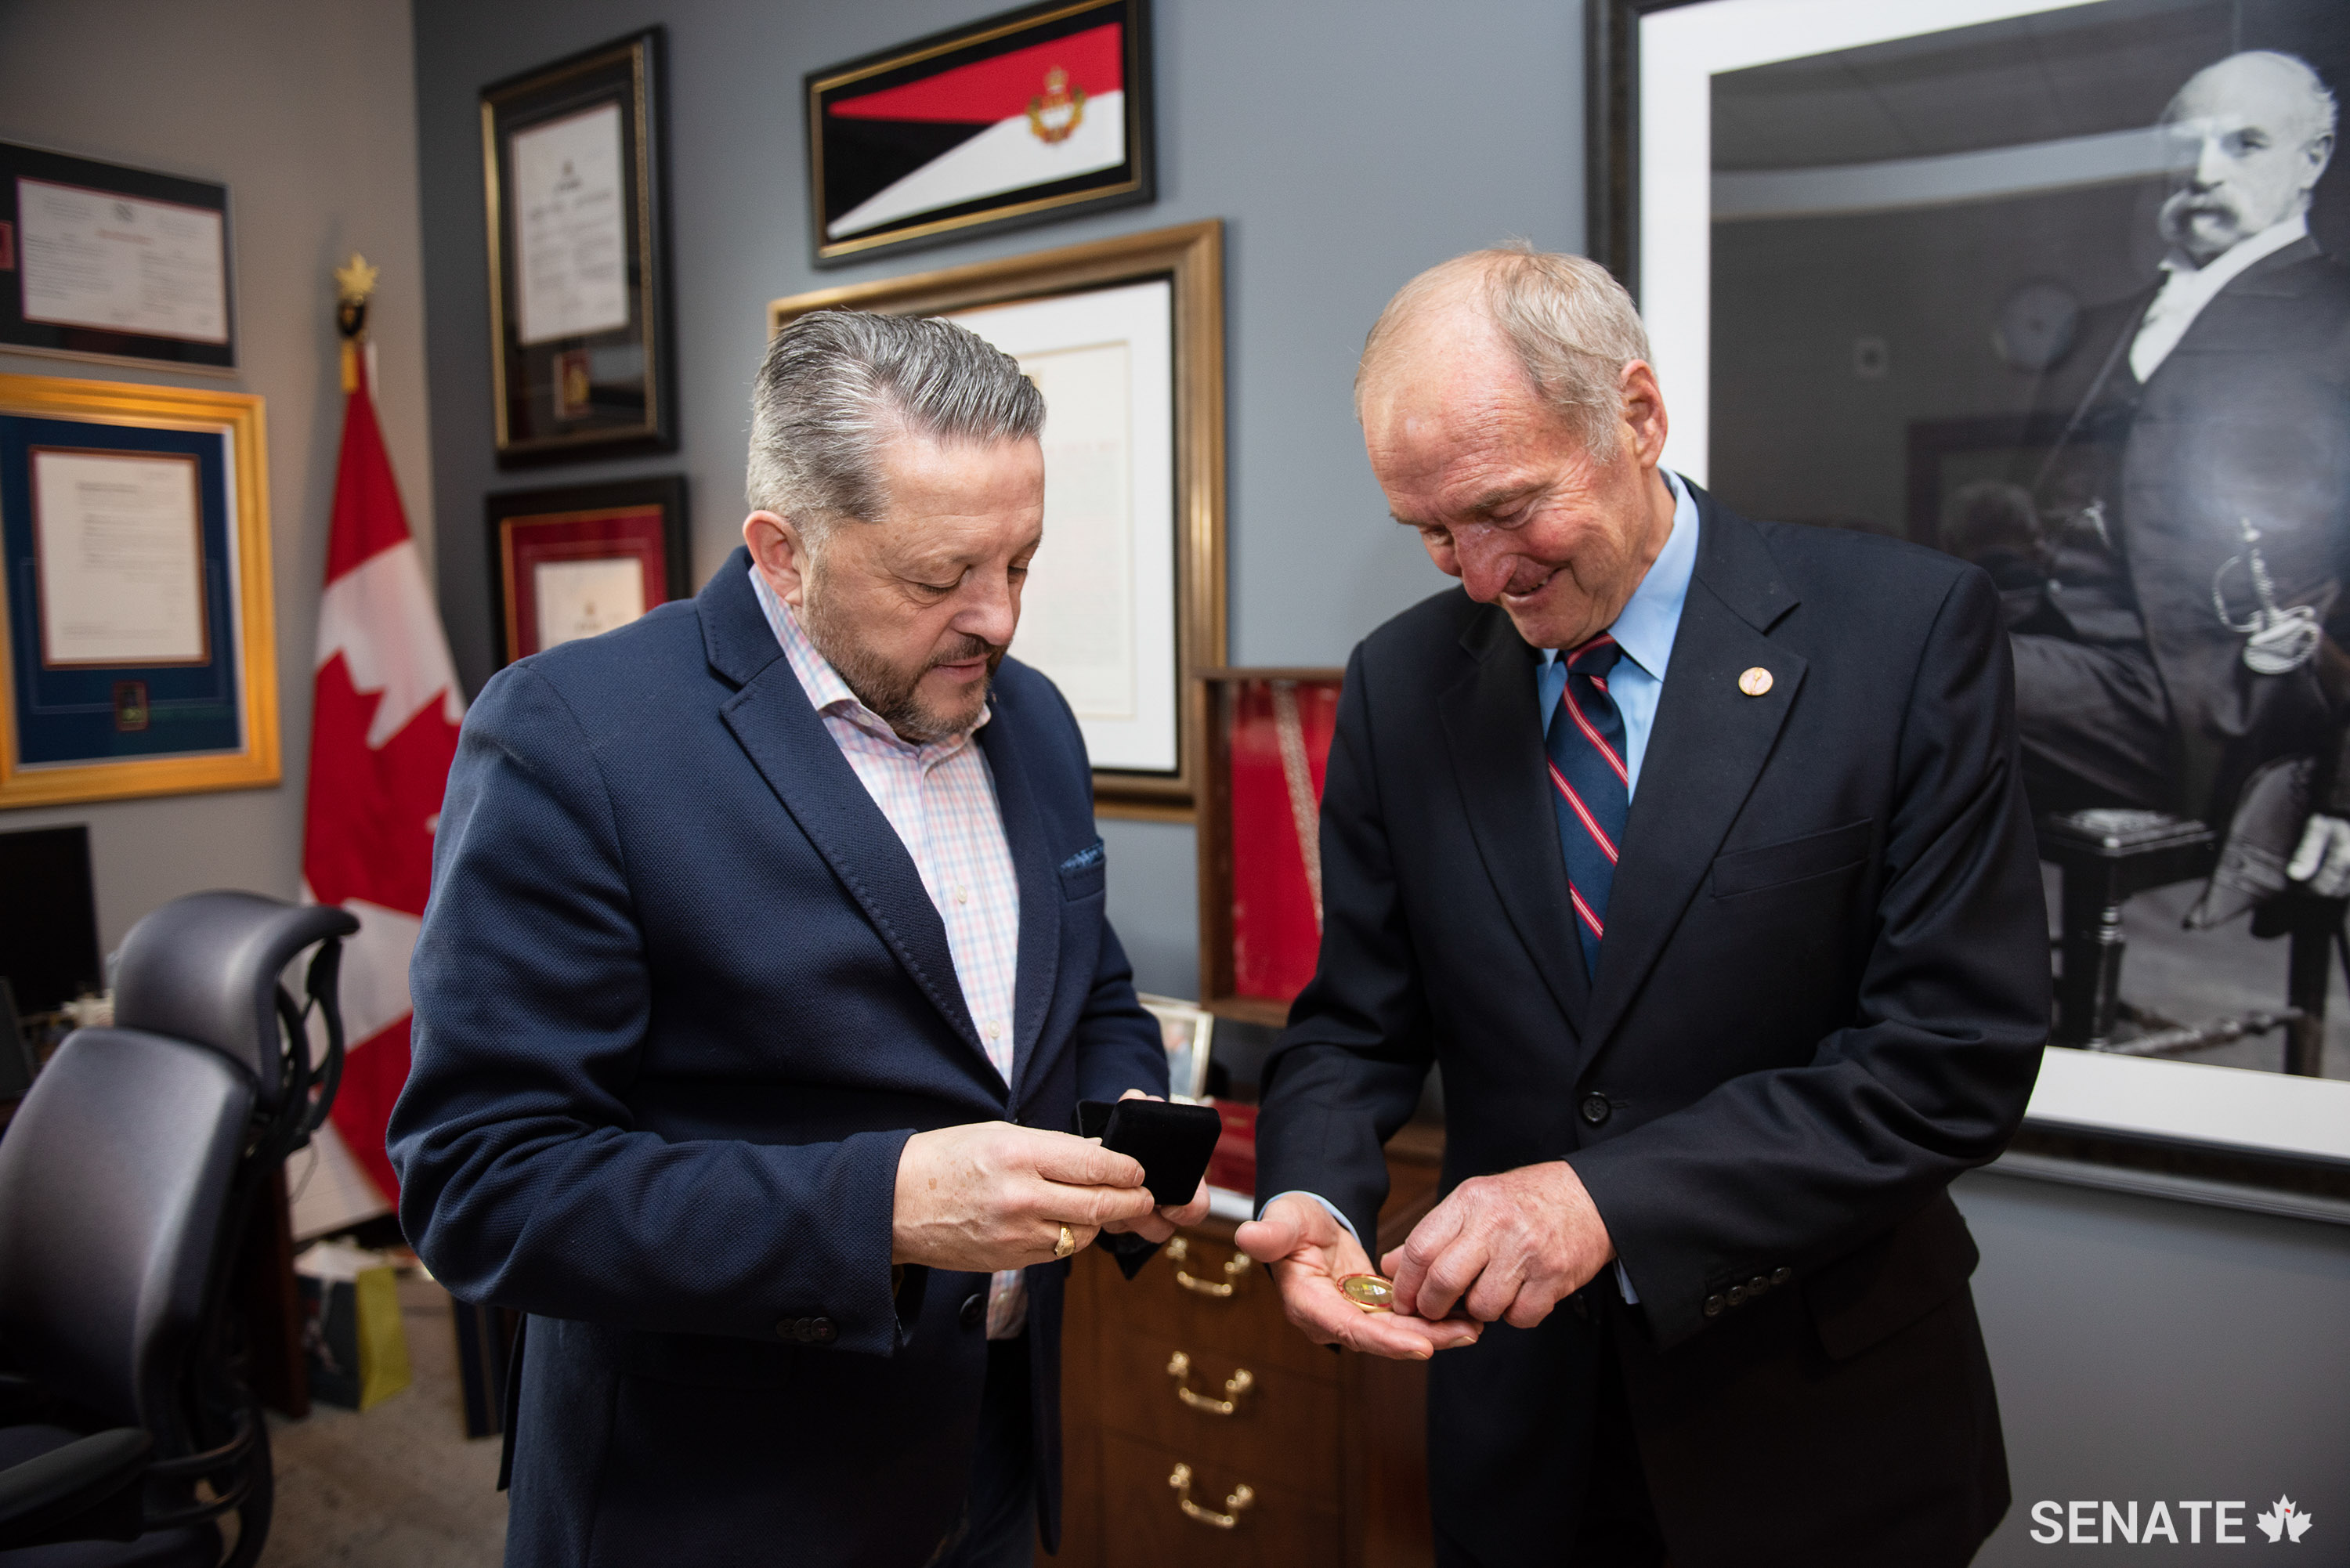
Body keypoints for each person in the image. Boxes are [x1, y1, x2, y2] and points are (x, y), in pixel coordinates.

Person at [1232, 245, 2050, 1567]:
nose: (1479, 574)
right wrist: (1321, 1200)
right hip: (1525, 1440)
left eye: (1507, 508)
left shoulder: (1901, 635)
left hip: (1823, 1432)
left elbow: (1948, 1059)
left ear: (1639, 414)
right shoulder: (1399, 683)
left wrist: (1598, 1201)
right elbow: (1356, 1025)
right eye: (1432, 531)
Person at [389, 311, 1205, 1568]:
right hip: (716, 1498)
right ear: (784, 552)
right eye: (941, 577)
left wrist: (1126, 1124)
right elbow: (483, 1183)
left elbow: (1083, 993)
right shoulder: (574, 738)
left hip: (986, 1463)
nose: (997, 618)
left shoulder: (1030, 720)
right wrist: (879, 1204)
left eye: (1023, 561)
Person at [2011, 51, 2350, 898]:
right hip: (2068, 669)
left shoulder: (2336, 316)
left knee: (1904, 674)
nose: (2203, 172)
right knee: (1894, 690)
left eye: (2244, 144)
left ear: (2312, 160)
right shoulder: (2102, 330)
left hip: (2215, 703)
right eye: (2187, 143)